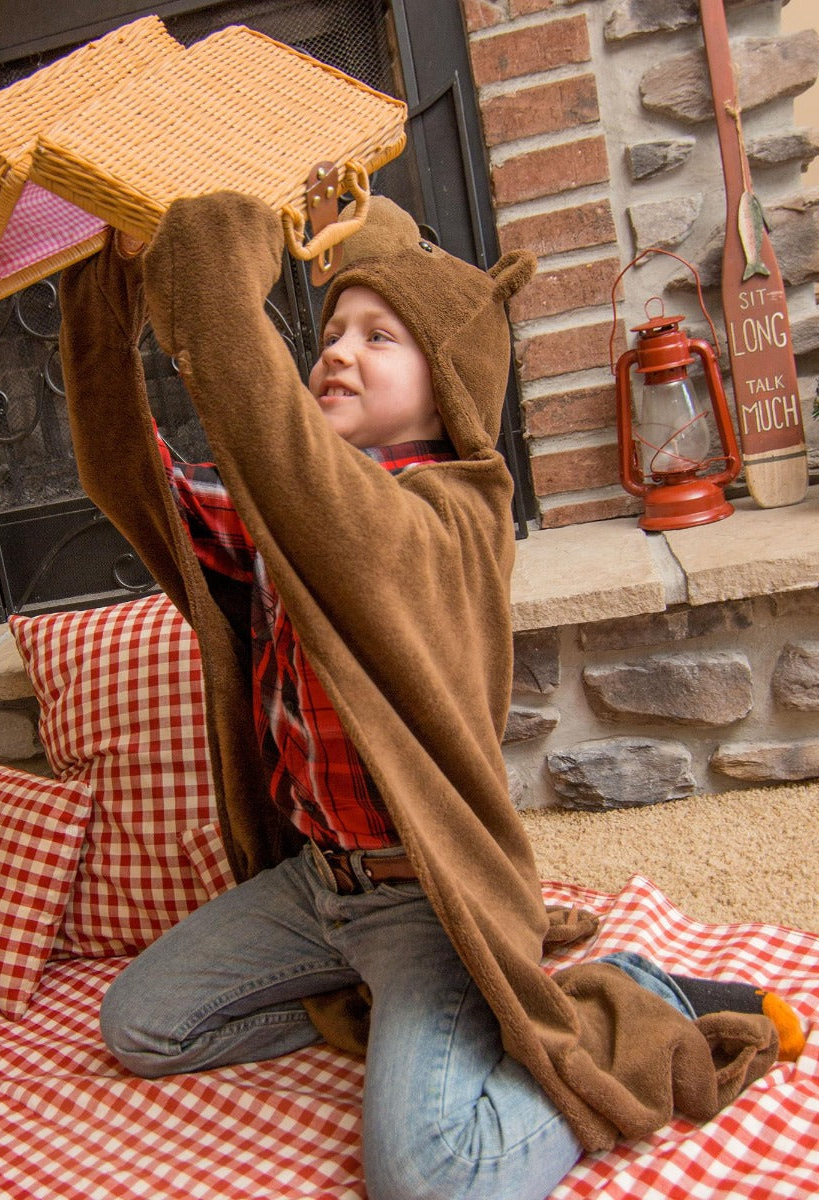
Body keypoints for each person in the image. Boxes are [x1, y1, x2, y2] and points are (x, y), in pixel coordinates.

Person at [56, 190, 797, 1200]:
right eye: (329, 334)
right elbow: (140, 482)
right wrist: (107, 298)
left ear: (448, 381)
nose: (336, 352)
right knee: (140, 1024)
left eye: (378, 336)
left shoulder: (448, 517)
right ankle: (412, 1014)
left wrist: (225, 270)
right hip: (319, 884)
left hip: (423, 897)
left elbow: (317, 490)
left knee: (430, 1178)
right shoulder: (291, 508)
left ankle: (609, 1020)